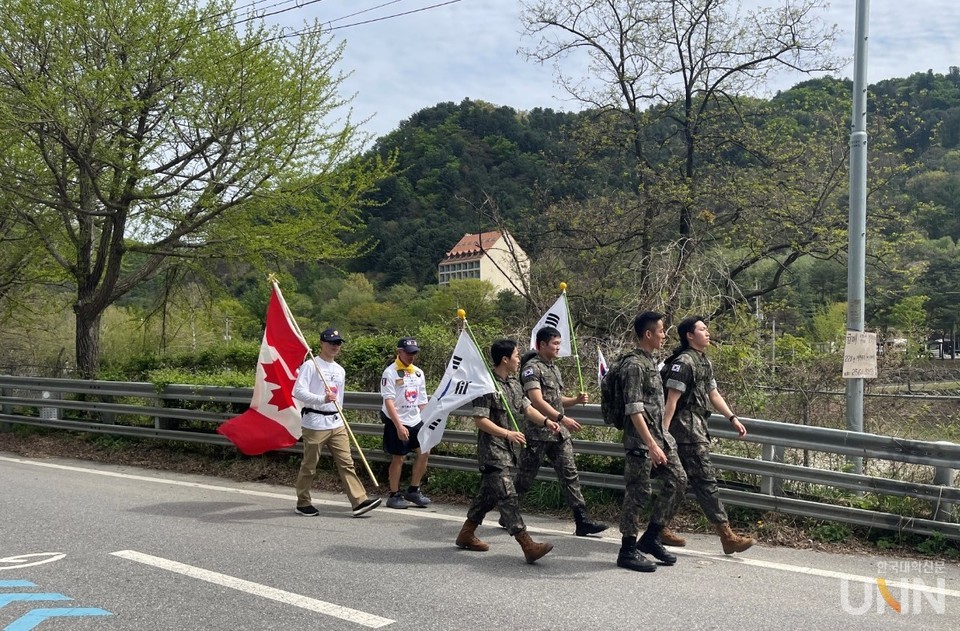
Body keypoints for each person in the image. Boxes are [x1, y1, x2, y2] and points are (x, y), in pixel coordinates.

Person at [455, 339, 556, 564]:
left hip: (508, 451)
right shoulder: (486, 385)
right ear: (505, 359)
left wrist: (547, 421)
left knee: (488, 496)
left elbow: (527, 408)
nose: (519, 360)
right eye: (516, 356)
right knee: (507, 496)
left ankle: (466, 534)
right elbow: (480, 420)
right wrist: (507, 434)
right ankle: (527, 545)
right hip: (492, 451)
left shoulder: (513, 383)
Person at [661, 316, 755, 554]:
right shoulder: (683, 363)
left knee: (678, 483)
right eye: (702, 329)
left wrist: (732, 418)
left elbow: (713, 394)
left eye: (706, 328)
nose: (707, 332)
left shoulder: (703, 361)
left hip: (697, 427)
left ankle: (659, 527)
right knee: (705, 481)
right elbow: (671, 402)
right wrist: (662, 434)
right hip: (685, 432)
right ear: (689, 336)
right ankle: (727, 536)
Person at [513, 326, 607, 536]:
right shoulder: (531, 368)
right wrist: (562, 418)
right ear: (542, 344)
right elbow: (536, 400)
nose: (558, 347)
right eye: (554, 343)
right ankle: (508, 512)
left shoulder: (554, 368)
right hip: (538, 432)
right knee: (525, 477)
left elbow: (556, 399)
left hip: (558, 433)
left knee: (569, 474)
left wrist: (574, 400)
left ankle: (582, 520)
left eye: (559, 343)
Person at [614, 311, 688, 572]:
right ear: (648, 334)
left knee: (678, 480)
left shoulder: (650, 362)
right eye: (661, 331)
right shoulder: (634, 365)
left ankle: (651, 537)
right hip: (640, 441)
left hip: (658, 437)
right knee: (638, 493)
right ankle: (627, 550)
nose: (664, 335)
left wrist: (660, 439)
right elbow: (633, 409)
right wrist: (651, 444)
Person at [292, 328, 381, 518]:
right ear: (322, 343)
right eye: (331, 342)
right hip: (315, 422)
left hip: (336, 421)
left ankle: (358, 501)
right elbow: (298, 391)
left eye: (338, 343)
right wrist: (322, 399)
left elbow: (339, 398)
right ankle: (303, 502)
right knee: (310, 465)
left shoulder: (340, 370)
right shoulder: (311, 365)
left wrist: (338, 412)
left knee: (346, 462)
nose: (335, 346)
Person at [380, 336, 431, 509]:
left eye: (414, 353)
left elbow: (422, 400)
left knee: (425, 450)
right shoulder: (390, 372)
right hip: (397, 420)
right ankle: (394, 494)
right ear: (399, 352)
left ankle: (413, 490)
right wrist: (399, 425)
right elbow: (389, 401)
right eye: (408, 353)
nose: (411, 356)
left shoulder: (418, 372)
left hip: (414, 418)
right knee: (399, 457)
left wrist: (429, 421)